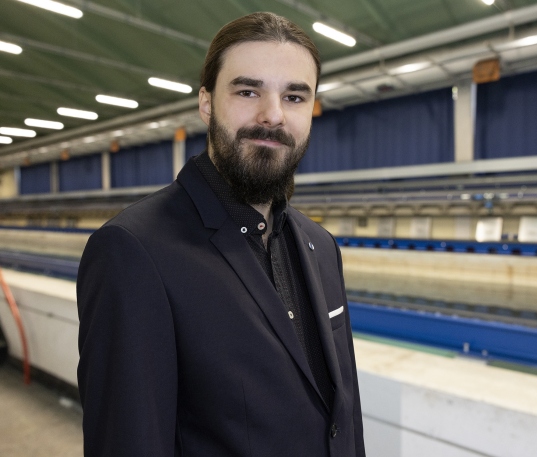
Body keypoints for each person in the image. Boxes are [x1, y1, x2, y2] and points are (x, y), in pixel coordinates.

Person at [76, 11, 366, 457]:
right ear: (207, 102)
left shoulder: (321, 247)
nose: (272, 115)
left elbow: (342, 420)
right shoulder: (135, 252)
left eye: (294, 97)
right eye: (248, 91)